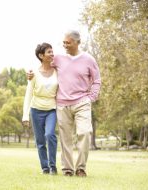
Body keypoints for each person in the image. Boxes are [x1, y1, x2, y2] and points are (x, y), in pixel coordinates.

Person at [27, 30, 101, 177]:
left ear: (77, 42)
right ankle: (67, 169)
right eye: (64, 42)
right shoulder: (59, 58)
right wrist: (30, 73)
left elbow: (97, 80)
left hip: (82, 102)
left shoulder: (89, 59)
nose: (64, 45)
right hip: (62, 104)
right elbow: (43, 65)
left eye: (68, 42)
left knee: (85, 132)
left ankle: (80, 168)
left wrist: (91, 97)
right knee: (65, 138)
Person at [22, 42, 58, 175]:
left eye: (52, 51)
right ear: (41, 55)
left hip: (51, 110)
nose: (52, 54)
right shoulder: (34, 73)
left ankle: (53, 166)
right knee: (40, 141)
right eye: (49, 52)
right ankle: (45, 168)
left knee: (49, 135)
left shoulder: (57, 70)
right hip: (36, 110)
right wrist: (25, 115)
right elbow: (28, 94)